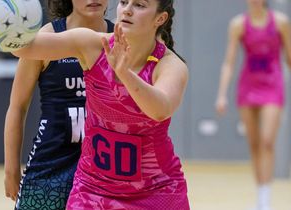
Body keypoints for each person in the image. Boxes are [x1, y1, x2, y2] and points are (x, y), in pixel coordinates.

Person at [13, 0, 189, 209]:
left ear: (160, 19)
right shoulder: (92, 44)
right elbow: (24, 48)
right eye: (124, 2)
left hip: (156, 192)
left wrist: (124, 73)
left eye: (140, 5)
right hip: (92, 190)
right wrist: (0, 24)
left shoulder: (170, 65)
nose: (128, 10)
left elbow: (160, 110)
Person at [3, 0, 114, 209]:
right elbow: (17, 106)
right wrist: (11, 169)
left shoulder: (121, 38)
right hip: (51, 164)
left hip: (104, 167)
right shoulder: (47, 38)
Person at [215, 0, 291, 209]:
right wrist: (222, 94)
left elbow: (289, 58)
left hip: (273, 87)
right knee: (255, 144)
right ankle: (260, 196)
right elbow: (229, 62)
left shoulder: (281, 23)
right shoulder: (238, 24)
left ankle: (265, 201)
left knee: (267, 141)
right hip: (248, 88)